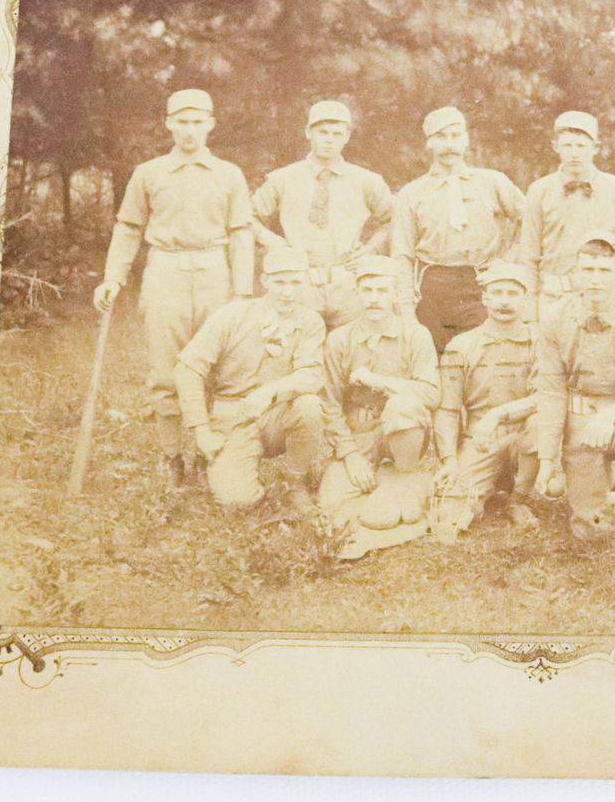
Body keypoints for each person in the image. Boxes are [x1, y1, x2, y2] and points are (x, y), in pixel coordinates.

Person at [94, 89, 254, 488]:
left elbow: (241, 232)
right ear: (168, 124)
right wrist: (113, 277)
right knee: (167, 370)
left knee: (216, 367)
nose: (189, 130)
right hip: (166, 271)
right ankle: (172, 458)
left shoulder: (229, 174)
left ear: (211, 124)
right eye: (181, 122)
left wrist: (242, 293)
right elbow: (129, 226)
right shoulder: (149, 173)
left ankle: (207, 454)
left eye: (198, 122)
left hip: (214, 271)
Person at [534, 232, 615, 541]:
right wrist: (546, 459)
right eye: (588, 270)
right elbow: (551, 391)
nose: (596, 279)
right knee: (591, 531)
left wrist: (610, 416)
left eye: (604, 271)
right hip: (579, 418)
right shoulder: (555, 318)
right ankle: (613, 493)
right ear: (576, 272)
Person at [172, 248, 325, 509]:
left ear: (306, 282)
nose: (288, 292)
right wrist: (202, 430)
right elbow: (188, 368)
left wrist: (271, 390)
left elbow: (311, 374)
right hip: (232, 417)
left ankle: (295, 483)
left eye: (296, 283)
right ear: (265, 281)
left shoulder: (311, 321)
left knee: (310, 406)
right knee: (238, 500)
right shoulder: (232, 315)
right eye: (280, 283)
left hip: (276, 413)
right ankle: (215, 461)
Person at [318, 255, 441, 559]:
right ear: (356, 293)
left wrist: (378, 381)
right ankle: (385, 485)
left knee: (402, 404)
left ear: (395, 294)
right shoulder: (340, 339)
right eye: (368, 290)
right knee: (331, 504)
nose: (374, 298)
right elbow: (329, 403)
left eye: (382, 290)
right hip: (358, 433)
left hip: (402, 434)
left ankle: (404, 473)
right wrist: (350, 456)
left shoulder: (415, 334)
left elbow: (431, 393)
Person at [250, 100, 394, 330]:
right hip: (300, 284)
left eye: (336, 134)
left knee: (351, 345)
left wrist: (370, 249)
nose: (329, 140)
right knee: (297, 343)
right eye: (322, 132)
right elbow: (247, 218)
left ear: (346, 137)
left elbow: (394, 221)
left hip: (347, 284)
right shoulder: (283, 179)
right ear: (309, 133)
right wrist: (276, 244)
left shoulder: (366, 180)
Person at [391, 106, 525, 353]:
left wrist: (507, 263)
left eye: (455, 136)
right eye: (440, 137)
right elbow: (402, 254)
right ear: (429, 143)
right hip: (432, 286)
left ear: (466, 139)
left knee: (481, 355)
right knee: (433, 357)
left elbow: (529, 222)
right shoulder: (412, 192)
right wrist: (406, 310)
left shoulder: (491, 182)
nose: (449, 145)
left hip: (481, 282)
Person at [433, 261, 539, 537]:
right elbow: (448, 409)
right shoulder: (460, 347)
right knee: (450, 515)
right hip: (480, 438)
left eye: (512, 293)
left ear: (526, 298)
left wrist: (499, 415)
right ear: (485, 298)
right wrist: (449, 459)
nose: (504, 301)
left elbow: (547, 397)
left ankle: (519, 498)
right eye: (497, 293)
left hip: (526, 435)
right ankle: (487, 485)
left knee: (539, 429)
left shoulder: (540, 342)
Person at [518, 110, 615, 320]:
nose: (574, 154)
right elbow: (528, 255)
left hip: (604, 297)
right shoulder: (539, 191)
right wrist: (530, 313)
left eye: (581, 146)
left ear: (595, 148)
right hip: (554, 297)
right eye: (567, 145)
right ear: (556, 147)